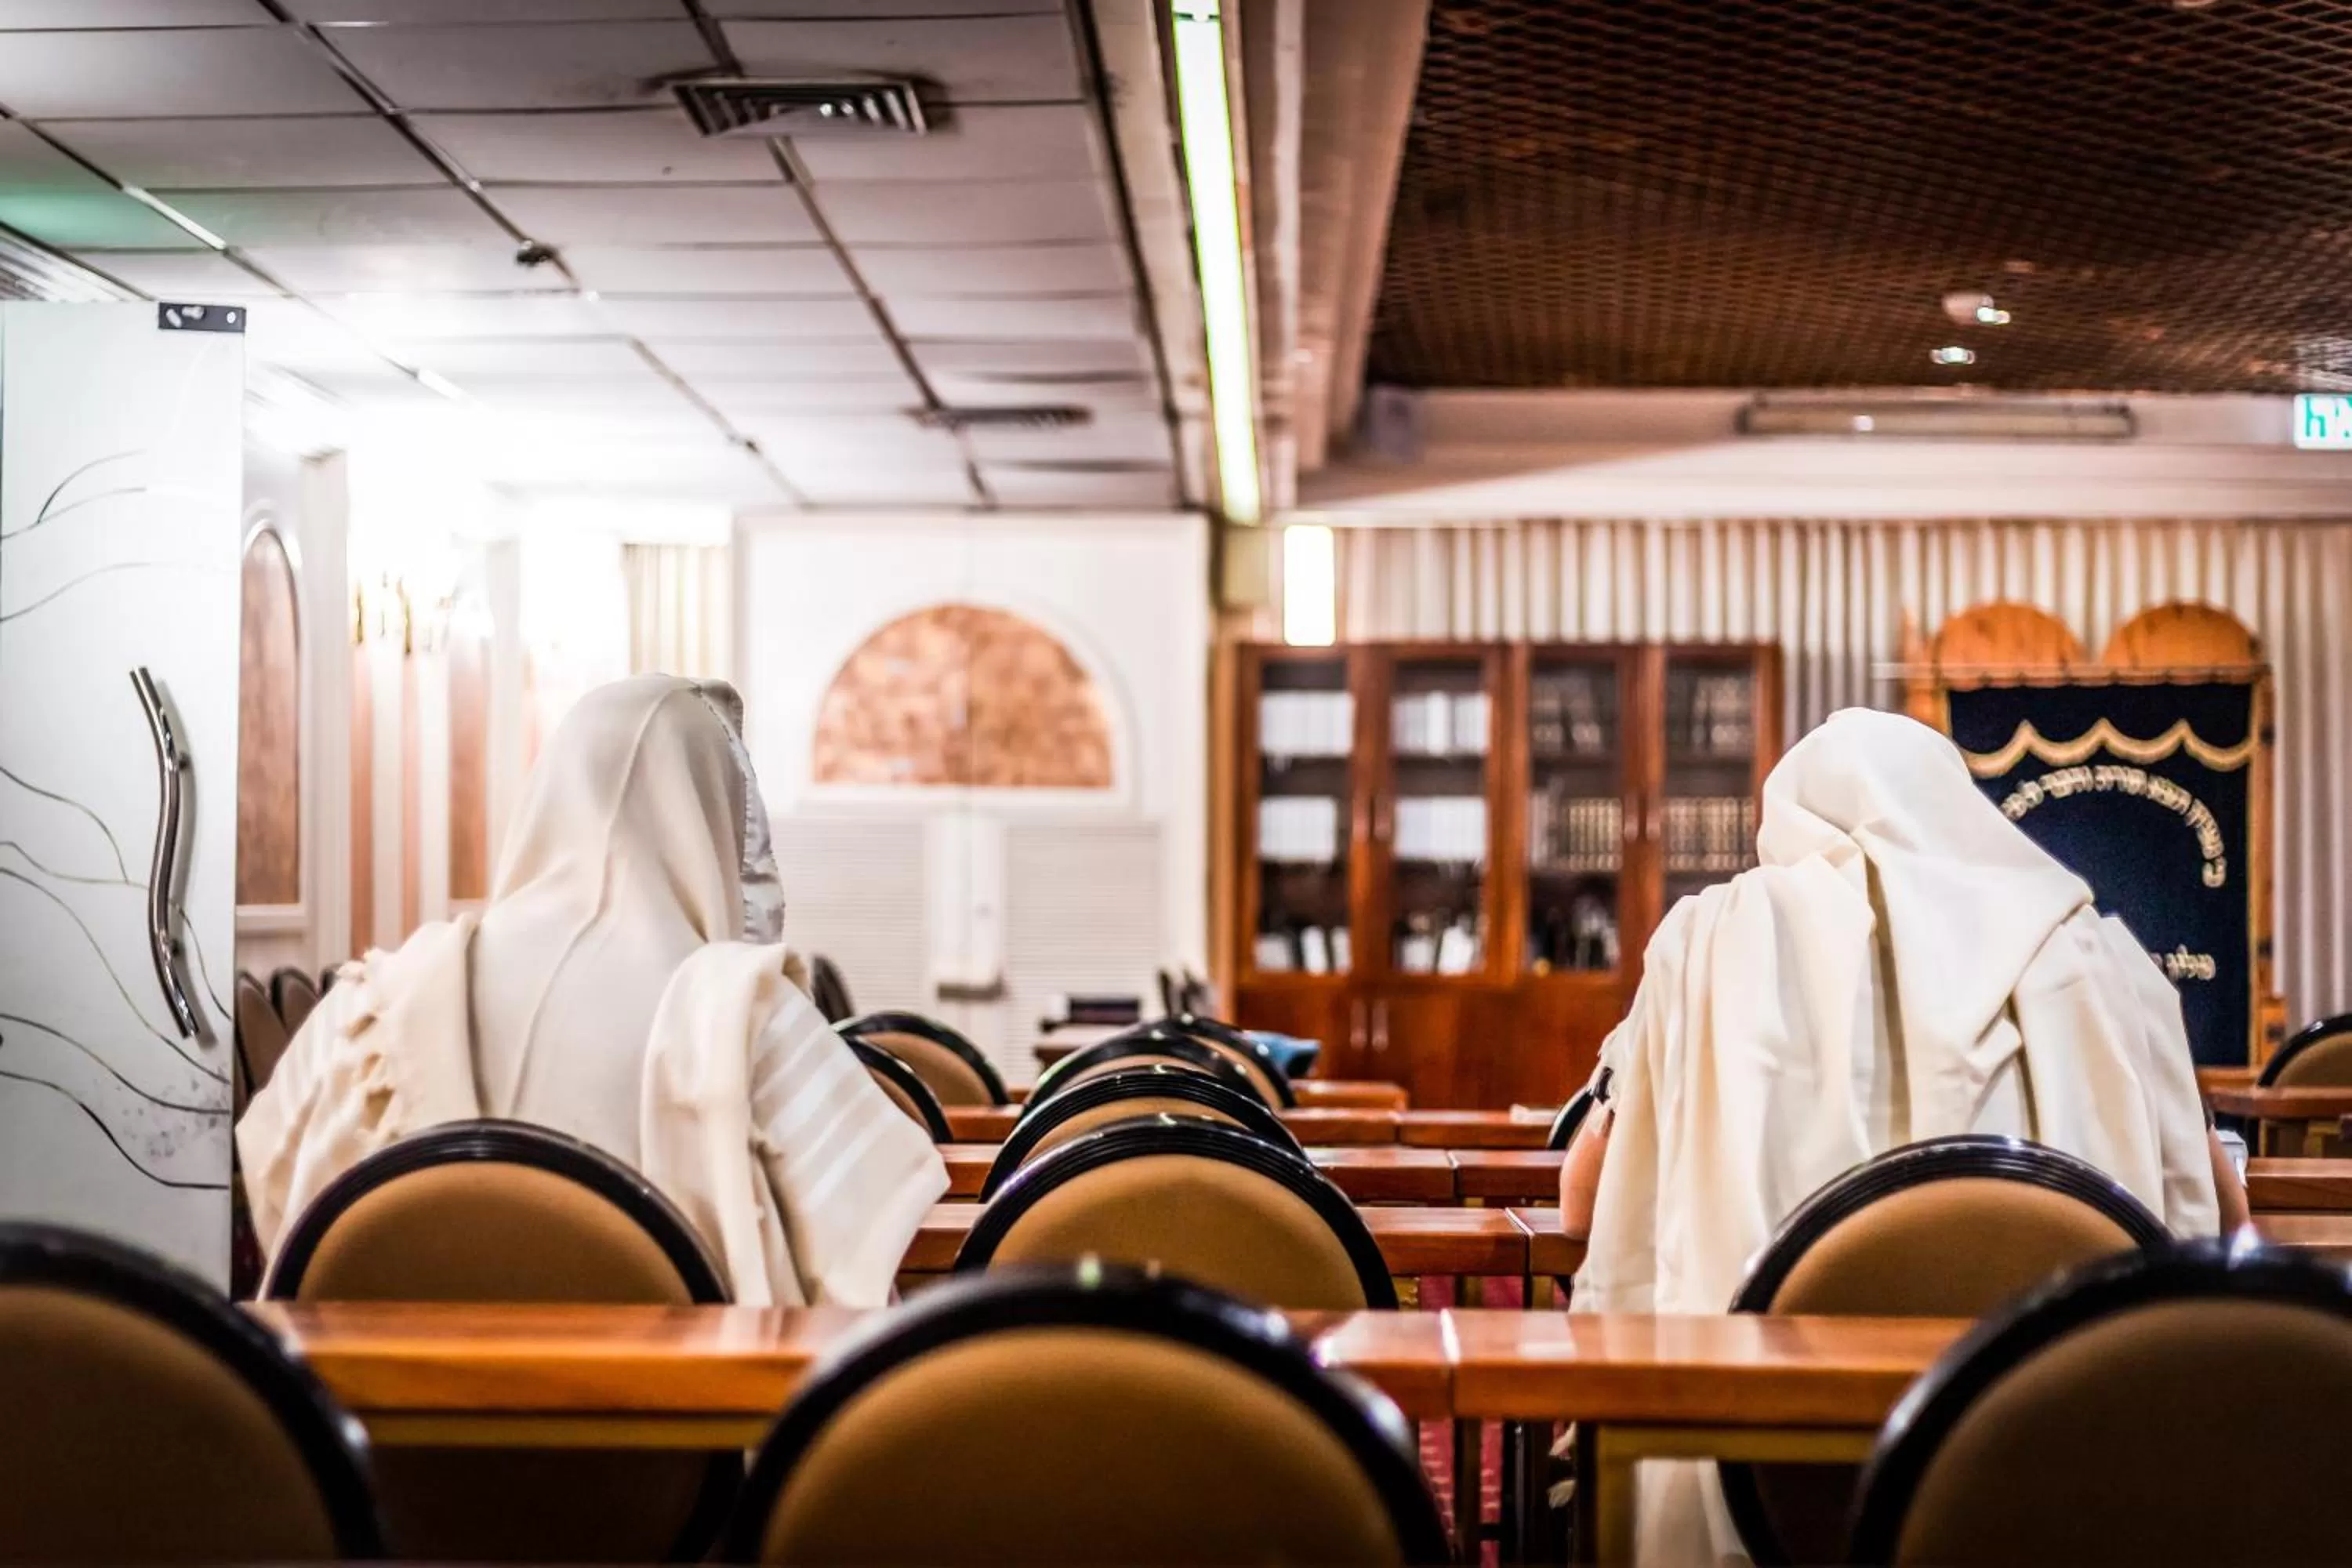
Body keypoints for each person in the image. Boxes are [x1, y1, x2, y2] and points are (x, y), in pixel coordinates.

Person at [1556, 708, 2233, 1562]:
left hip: (1764, 1468)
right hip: (2059, 1460)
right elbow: (2221, 1209)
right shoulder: (2102, 955)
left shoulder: (1711, 938)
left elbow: (1582, 1205)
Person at [238, 676, 946, 1306]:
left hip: (377, 1444)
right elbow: (861, 1279)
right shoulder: (751, 1018)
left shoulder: (374, 1004)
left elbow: (283, 1224)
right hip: (680, 1443)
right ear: (717, 823)